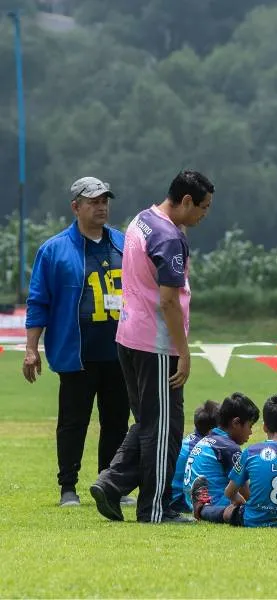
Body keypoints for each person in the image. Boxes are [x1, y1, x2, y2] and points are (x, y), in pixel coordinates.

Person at [91, 169, 215, 524]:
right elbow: (169, 301)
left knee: (149, 421)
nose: (204, 215)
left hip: (128, 337)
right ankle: (155, 509)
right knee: (165, 430)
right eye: (203, 207)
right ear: (186, 201)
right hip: (156, 344)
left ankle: (112, 483)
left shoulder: (143, 220)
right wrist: (184, 352)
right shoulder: (168, 237)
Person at [23, 176, 132, 507]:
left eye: (104, 201)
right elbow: (38, 301)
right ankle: (67, 486)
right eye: (93, 201)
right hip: (76, 353)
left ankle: (109, 482)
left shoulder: (125, 245)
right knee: (73, 423)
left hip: (119, 352)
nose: (101, 207)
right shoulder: (54, 250)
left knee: (116, 421)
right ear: (76, 207)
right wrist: (31, 349)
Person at [190, 394, 277, 528]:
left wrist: (245, 503)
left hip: (254, 519)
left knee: (229, 512)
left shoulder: (251, 452)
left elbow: (229, 492)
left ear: (265, 427)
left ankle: (202, 509)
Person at [182, 393, 259, 512]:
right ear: (236, 423)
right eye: (250, 426)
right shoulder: (228, 447)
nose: (251, 432)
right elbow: (246, 492)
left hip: (193, 504)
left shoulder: (208, 440)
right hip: (216, 505)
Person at [170, 400, 220, 513]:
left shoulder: (189, 441)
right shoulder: (203, 448)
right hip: (179, 501)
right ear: (212, 431)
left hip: (172, 496)